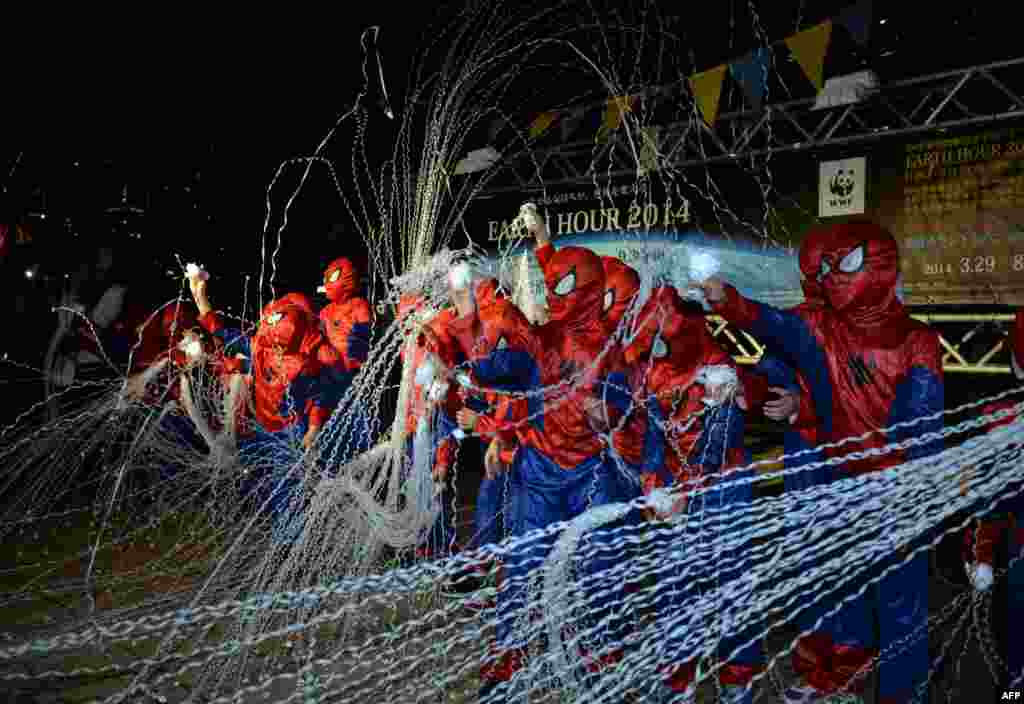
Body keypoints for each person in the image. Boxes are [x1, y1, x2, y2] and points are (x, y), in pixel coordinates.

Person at [702, 221, 944, 704]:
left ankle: (903, 694)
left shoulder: (918, 340)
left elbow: (925, 424)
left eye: (844, 263)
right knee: (839, 584)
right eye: (825, 267)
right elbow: (773, 328)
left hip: (896, 490)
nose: (832, 275)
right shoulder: (819, 326)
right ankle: (837, 677)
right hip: (835, 483)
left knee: (901, 603)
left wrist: (918, 487)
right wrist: (727, 300)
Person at [473, 205, 640, 696]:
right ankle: (510, 656)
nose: (553, 294)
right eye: (552, 286)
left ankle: (599, 652)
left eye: (565, 287)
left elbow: (628, 405)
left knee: (600, 566)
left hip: (592, 474)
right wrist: (468, 372)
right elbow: (507, 365)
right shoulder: (544, 337)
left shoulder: (615, 345)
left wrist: (606, 412)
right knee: (523, 567)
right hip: (543, 472)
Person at [617, 284, 758, 702]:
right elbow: (655, 442)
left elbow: (721, 444)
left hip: (725, 488)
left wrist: (684, 493)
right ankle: (676, 678)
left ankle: (737, 679)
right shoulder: (655, 372)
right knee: (672, 584)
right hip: (679, 490)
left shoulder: (719, 368)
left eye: (668, 334)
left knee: (729, 585)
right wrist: (653, 485)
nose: (661, 343)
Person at [190, 271, 338, 545]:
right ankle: (279, 533)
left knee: (287, 486)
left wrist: (313, 429)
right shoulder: (261, 347)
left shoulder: (307, 363)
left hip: (291, 430)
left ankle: (291, 546)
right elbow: (223, 332)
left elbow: (320, 396)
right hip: (262, 425)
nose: (275, 349)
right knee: (254, 476)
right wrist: (201, 300)